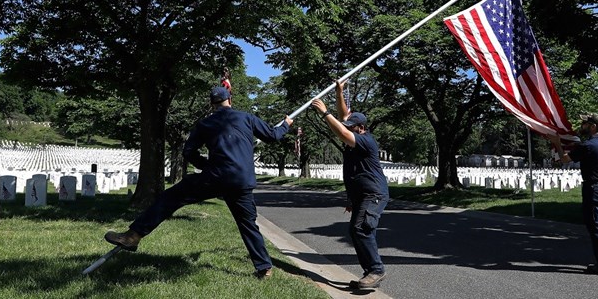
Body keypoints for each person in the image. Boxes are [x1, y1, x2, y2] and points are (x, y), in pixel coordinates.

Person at [104, 86, 293, 279]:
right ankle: (264, 268)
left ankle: (132, 237)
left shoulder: (205, 123)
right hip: (242, 180)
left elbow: (188, 152)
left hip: (215, 177)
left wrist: (207, 165)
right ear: (230, 99)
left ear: (212, 104)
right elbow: (273, 136)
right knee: (248, 224)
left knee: (171, 197)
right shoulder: (247, 118)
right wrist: (286, 124)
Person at [310, 80, 389, 289]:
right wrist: (339, 92)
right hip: (361, 195)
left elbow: (343, 131)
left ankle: (376, 270)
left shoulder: (365, 140)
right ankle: (370, 272)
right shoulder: (354, 132)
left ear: (361, 128)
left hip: (374, 194)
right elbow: (344, 116)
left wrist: (325, 113)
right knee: (356, 231)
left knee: (361, 229)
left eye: (352, 127)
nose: (347, 129)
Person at [547, 112, 598, 276]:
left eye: (585, 124)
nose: (582, 126)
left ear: (593, 126)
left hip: (595, 189)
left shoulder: (587, 146)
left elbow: (564, 159)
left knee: (596, 228)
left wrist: (557, 143)